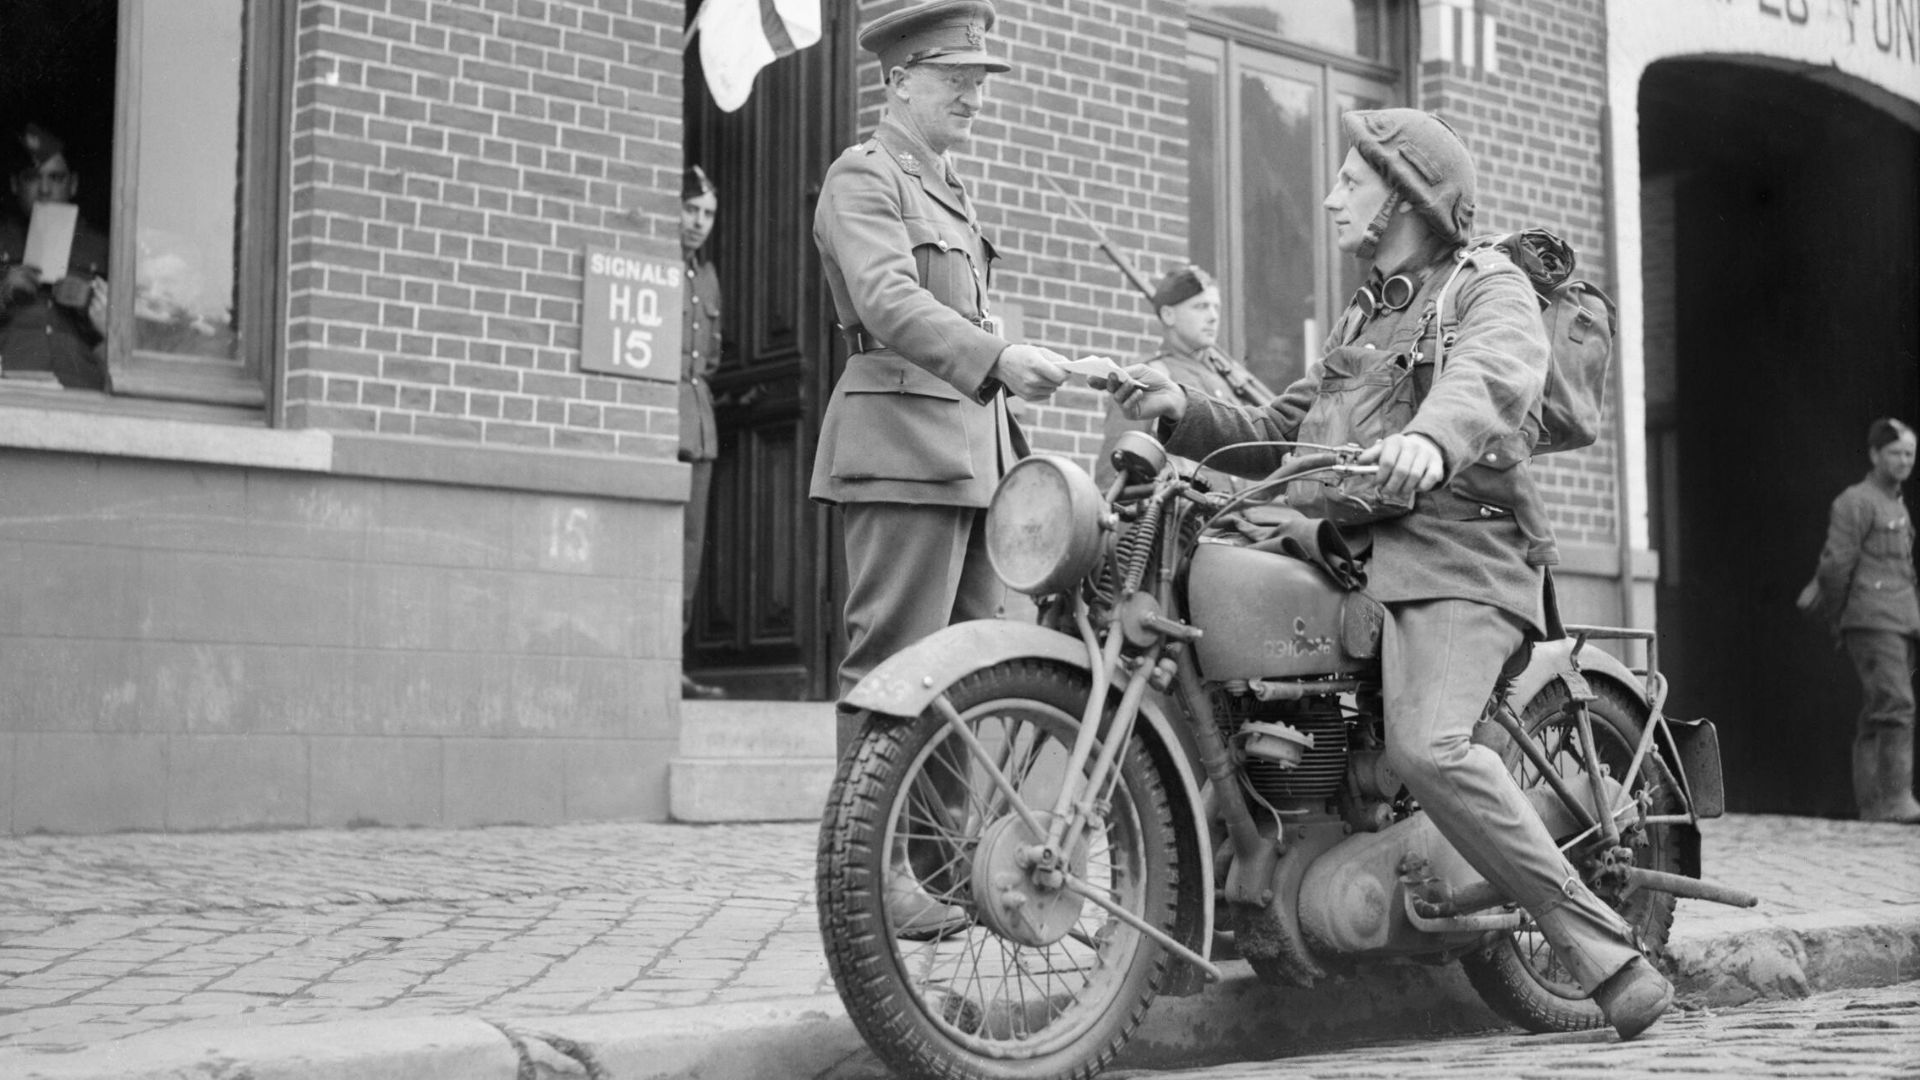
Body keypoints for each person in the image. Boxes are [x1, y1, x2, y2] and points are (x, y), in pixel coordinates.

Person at [1104, 108, 1675, 1040]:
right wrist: (1183, 409)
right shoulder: (1375, 305)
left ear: (1406, 194)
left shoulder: (1485, 285)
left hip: (1459, 555)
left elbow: (1494, 378)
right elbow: (1288, 425)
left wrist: (1427, 442)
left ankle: (1605, 953)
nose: (1330, 196)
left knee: (1428, 747)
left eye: (1350, 181)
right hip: (1351, 552)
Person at [811, 0, 1068, 737]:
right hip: (902, 442)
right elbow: (888, 300)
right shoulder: (863, 178)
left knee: (970, 679)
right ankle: (862, 854)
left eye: (980, 80)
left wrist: (1021, 361)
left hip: (975, 457)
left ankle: (941, 856)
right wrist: (999, 357)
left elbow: (966, 317)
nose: (974, 96)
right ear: (898, 81)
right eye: (955, 76)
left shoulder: (950, 191)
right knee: (896, 667)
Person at [1814, 418, 1920, 823]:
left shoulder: (1896, 502)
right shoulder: (1855, 501)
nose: (1904, 461)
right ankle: (1894, 801)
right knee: (1895, 703)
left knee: (1880, 708)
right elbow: (1835, 566)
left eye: (1910, 453)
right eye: (1895, 453)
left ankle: (1875, 806)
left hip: (1898, 619)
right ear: (1875, 454)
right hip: (1872, 619)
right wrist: (1839, 616)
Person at [1094, 264, 1268, 492]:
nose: (1213, 317)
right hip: (1183, 521)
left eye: (1216, 307)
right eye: (1201, 307)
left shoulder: (1227, 382)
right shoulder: (1150, 378)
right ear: (1168, 315)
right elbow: (1114, 482)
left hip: (1238, 521)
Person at [0, 123, 108, 390]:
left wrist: (96, 309)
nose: (45, 189)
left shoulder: (104, 247)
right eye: (33, 177)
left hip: (78, 389)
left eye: (56, 178)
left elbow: (137, 341)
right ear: (15, 184)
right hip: (9, 390)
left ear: (73, 184)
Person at [679, 165, 727, 701]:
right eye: (690, 209)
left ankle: (678, 658)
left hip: (700, 420)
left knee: (691, 548)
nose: (698, 222)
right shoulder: (665, 271)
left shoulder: (707, 277)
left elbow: (711, 355)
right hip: (665, 417)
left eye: (707, 214)